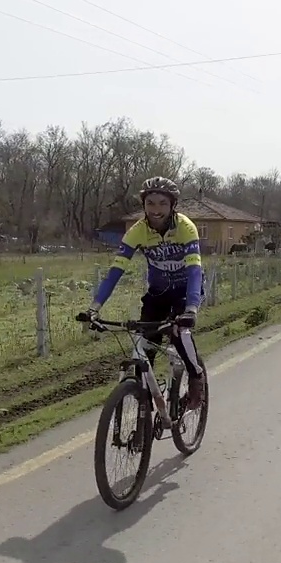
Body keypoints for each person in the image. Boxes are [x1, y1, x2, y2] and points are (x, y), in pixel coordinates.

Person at [87, 176, 207, 410]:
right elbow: (115, 272)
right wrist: (94, 307)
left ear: (172, 205)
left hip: (185, 291)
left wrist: (191, 308)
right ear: (143, 205)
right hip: (158, 292)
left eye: (162, 203)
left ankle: (196, 376)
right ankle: (145, 404)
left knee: (179, 332)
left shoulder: (185, 227)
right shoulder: (137, 231)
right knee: (145, 342)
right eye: (150, 203)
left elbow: (194, 270)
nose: (156, 210)